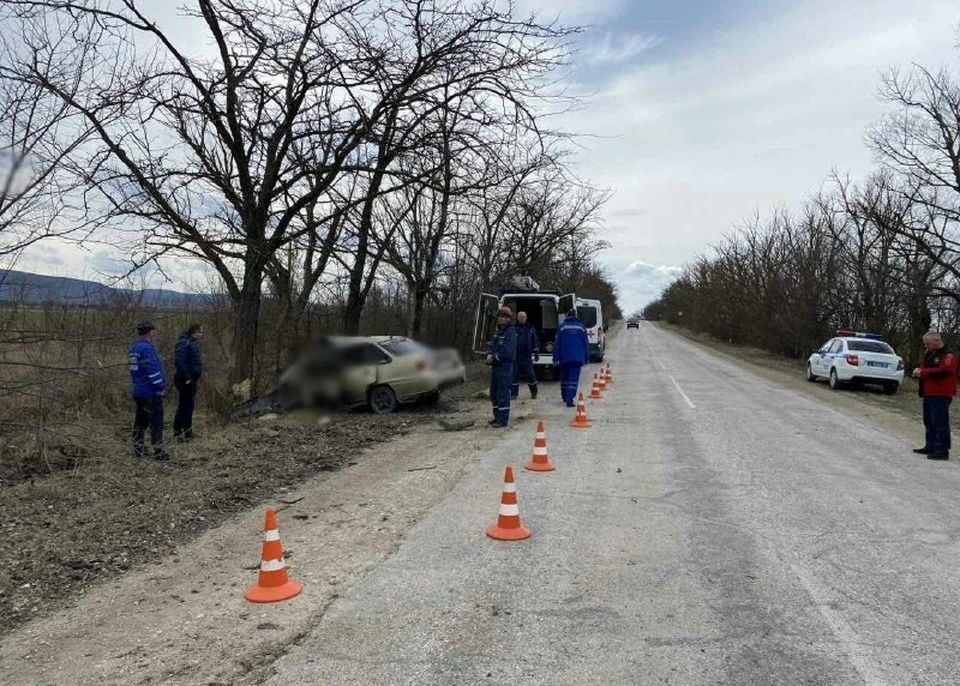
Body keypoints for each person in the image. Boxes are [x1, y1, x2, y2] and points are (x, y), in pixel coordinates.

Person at [912, 331, 957, 461]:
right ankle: (930, 446)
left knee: (940, 422)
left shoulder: (949, 355)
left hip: (941, 392)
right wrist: (918, 371)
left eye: (928, 343)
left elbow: (944, 370)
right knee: (929, 421)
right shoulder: (929, 353)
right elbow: (925, 366)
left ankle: (942, 450)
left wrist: (923, 372)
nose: (926, 346)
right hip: (928, 392)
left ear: (936, 341)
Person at [129, 320, 168, 461]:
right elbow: (152, 371)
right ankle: (158, 451)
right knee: (156, 423)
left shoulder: (134, 348)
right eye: (154, 330)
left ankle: (138, 449)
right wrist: (161, 387)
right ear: (150, 332)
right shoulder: (147, 349)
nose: (155, 333)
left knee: (140, 422)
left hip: (139, 391)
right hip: (151, 392)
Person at [486, 306, 517, 427]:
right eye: (499, 316)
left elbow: (507, 351)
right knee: (494, 393)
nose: (501, 319)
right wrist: (489, 354)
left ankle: (503, 420)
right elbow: (492, 346)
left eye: (504, 317)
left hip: (505, 366)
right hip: (495, 367)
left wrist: (494, 357)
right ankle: (497, 416)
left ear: (508, 319)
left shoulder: (511, 332)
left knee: (503, 393)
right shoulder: (497, 332)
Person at [552, 308, 590, 407]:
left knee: (564, 377)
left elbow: (557, 344)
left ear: (567, 315)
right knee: (573, 378)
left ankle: (564, 396)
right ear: (576, 316)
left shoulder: (562, 327)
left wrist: (555, 357)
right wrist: (586, 357)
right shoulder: (581, 328)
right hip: (577, 358)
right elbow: (585, 344)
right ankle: (569, 399)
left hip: (564, 357)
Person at [173, 323, 204, 441]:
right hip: (184, 379)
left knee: (189, 405)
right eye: (200, 332)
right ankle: (178, 431)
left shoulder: (193, 343)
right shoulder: (183, 343)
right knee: (184, 405)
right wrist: (187, 377)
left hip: (193, 379)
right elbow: (179, 362)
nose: (201, 334)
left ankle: (188, 431)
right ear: (194, 332)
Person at [511, 310, 539, 400]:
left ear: (526, 318)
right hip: (515, 356)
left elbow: (535, 340)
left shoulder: (530, 328)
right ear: (517, 318)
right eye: (520, 317)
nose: (522, 318)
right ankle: (513, 394)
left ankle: (534, 392)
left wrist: (536, 353)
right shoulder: (513, 328)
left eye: (523, 317)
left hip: (526, 356)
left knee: (530, 375)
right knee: (514, 375)